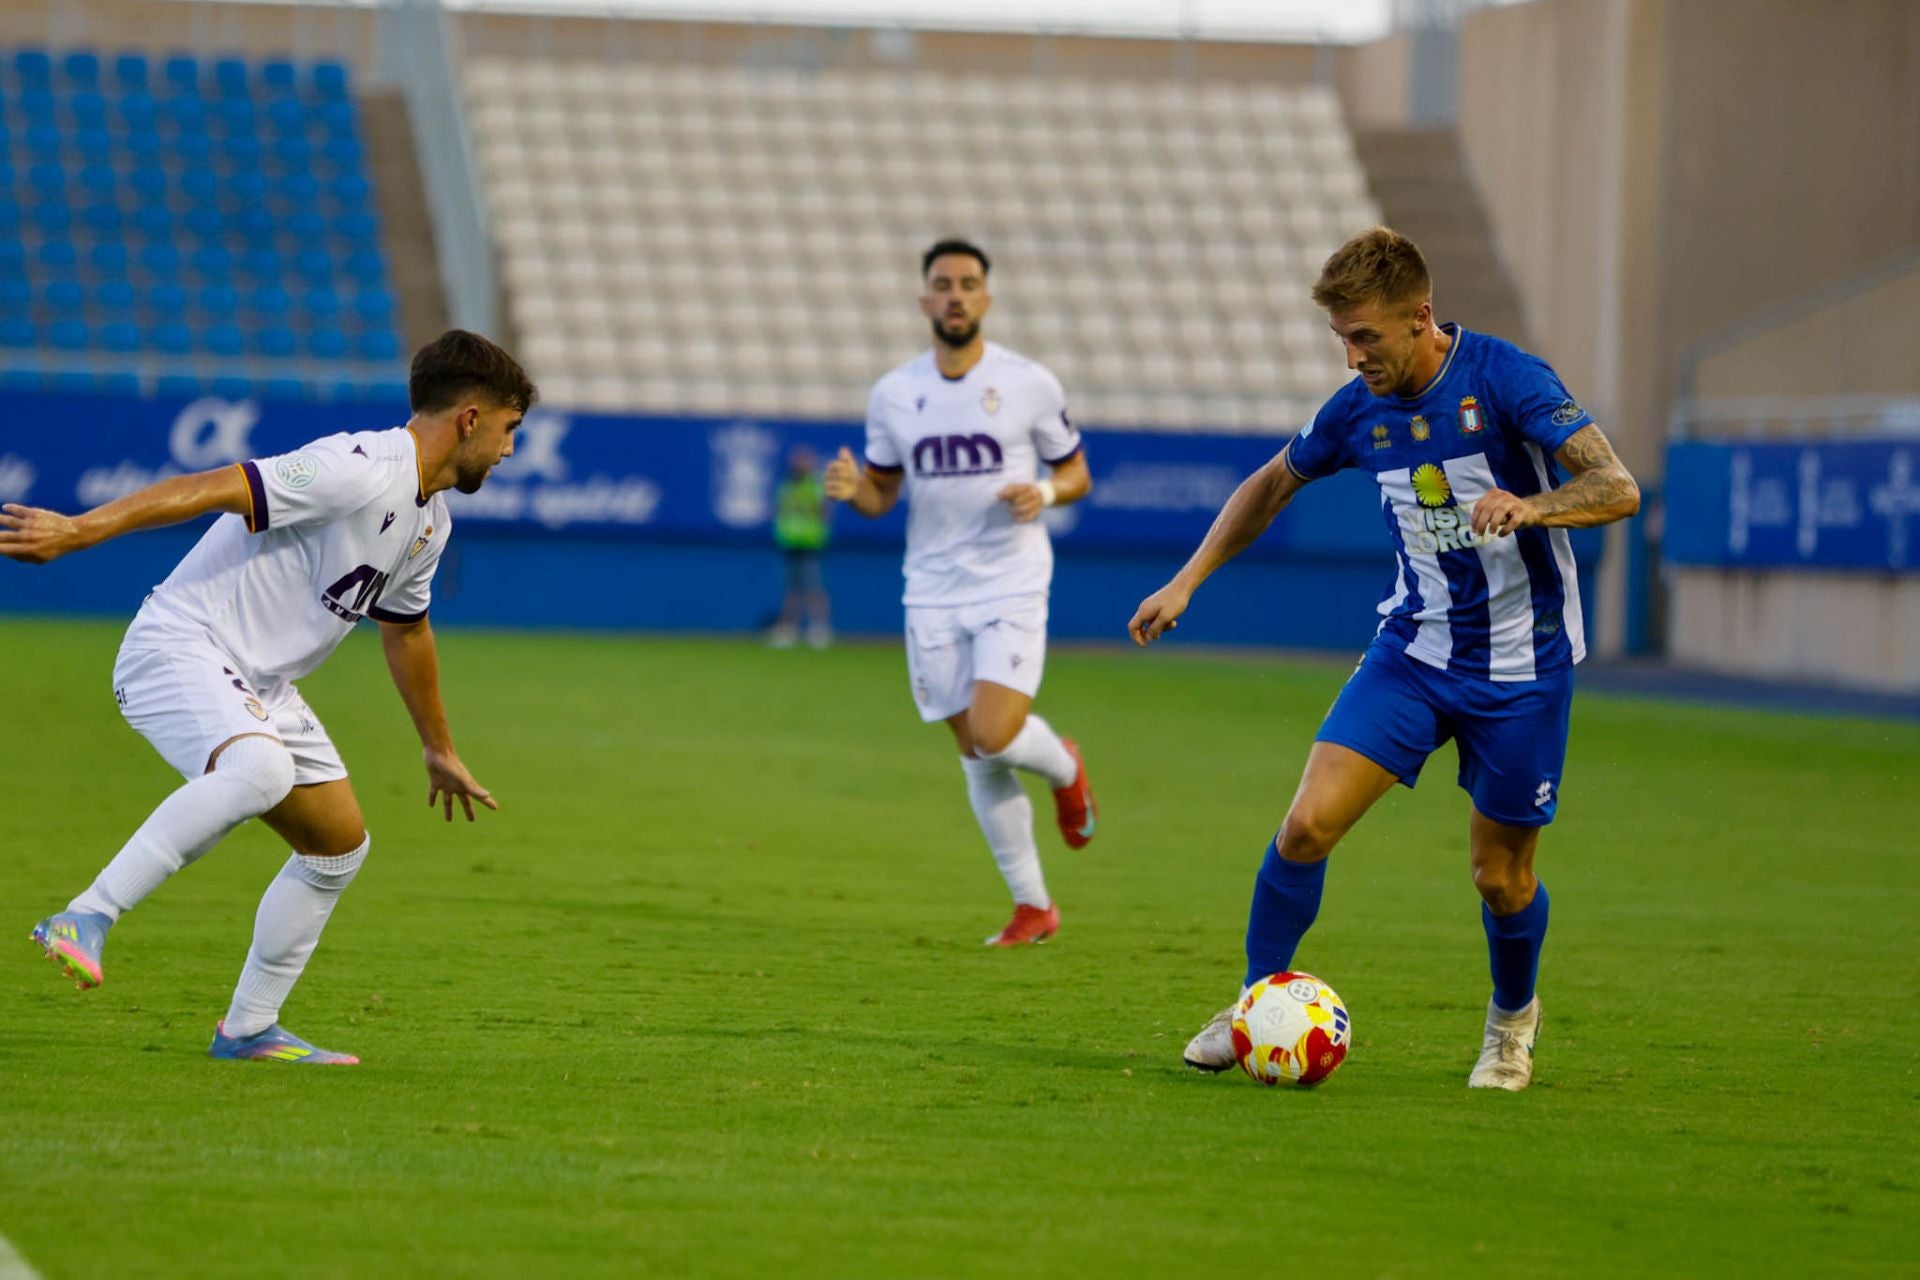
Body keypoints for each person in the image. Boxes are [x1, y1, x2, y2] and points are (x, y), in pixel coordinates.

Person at [1129, 227, 1639, 1089]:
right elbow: (1271, 482)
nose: (1353, 354)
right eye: (1342, 338)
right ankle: (1256, 1004)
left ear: (1420, 318)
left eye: (1366, 336)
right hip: (1412, 651)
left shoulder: (1507, 380)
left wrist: (1535, 505)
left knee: (1500, 878)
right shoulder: (1355, 409)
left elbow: (1618, 487)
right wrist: (1189, 581)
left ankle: (1511, 1023)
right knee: (1305, 827)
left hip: (1521, 669)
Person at [3, 330, 534, 1065]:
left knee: (337, 848)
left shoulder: (428, 521)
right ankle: (84, 916)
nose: (510, 451)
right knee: (261, 772)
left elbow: (407, 632)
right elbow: (211, 486)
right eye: (510, 429)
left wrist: (438, 748)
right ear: (471, 418)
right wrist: (81, 530)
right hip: (180, 647)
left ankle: (249, 1027)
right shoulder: (358, 467)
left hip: (259, 682)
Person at [824, 238, 1098, 946]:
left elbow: (1076, 474)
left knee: (994, 733)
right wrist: (858, 493)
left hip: (1010, 578)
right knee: (976, 753)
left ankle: (1065, 767)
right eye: (942, 284)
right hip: (932, 590)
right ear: (925, 300)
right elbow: (884, 492)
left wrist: (1040, 489)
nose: (955, 295)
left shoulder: (1029, 382)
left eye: (968, 283)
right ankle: (1033, 906)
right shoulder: (894, 394)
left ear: (986, 298)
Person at [769, 444, 833, 649]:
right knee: (792, 589)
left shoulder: (814, 487)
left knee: (812, 586)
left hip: (810, 543)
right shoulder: (786, 486)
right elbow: (778, 511)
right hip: (790, 542)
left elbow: (825, 513)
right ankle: (789, 628)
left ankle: (819, 628)